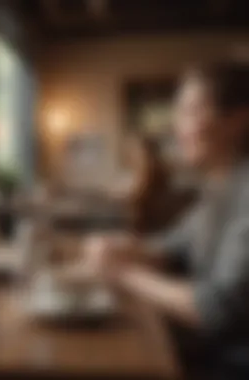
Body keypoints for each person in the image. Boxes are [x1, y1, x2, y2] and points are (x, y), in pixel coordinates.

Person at [84, 62, 249, 379]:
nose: (177, 127)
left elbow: (217, 310)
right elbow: (170, 246)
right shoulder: (217, 189)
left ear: (237, 120)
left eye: (191, 111)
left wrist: (121, 272)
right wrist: (124, 247)